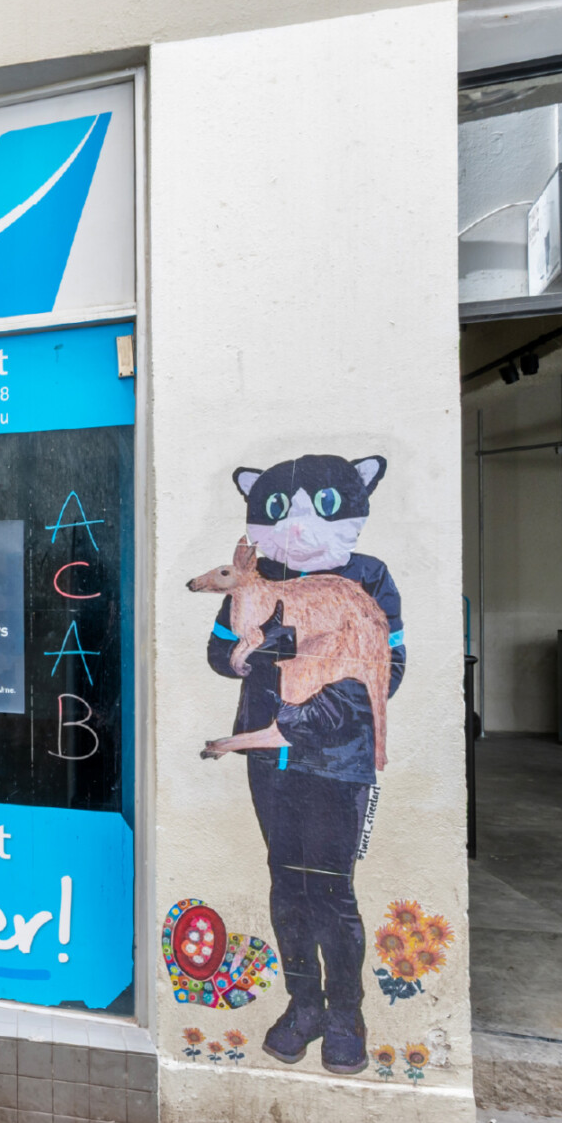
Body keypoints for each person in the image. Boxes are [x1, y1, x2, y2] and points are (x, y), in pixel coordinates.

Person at [205, 454, 403, 1075]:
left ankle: (347, 1016)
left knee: (332, 889)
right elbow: (219, 653)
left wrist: (303, 712)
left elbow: (388, 668)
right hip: (270, 763)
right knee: (286, 881)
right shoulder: (256, 574)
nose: (294, 523)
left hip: (338, 763)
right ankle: (304, 1005)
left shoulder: (368, 576)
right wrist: (246, 648)